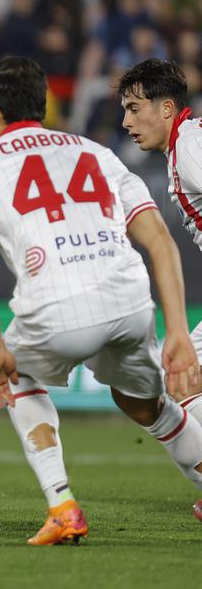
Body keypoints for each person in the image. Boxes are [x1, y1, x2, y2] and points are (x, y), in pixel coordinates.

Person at [0, 57, 202, 544]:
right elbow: (160, 241)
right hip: (130, 301)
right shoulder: (98, 152)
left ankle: (62, 504)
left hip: (56, 304)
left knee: (17, 374)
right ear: (43, 106)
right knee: (148, 404)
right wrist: (174, 329)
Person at [118, 58, 202, 421]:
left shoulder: (189, 147)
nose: (126, 122)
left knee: (182, 382)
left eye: (134, 109)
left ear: (167, 108)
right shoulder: (187, 141)